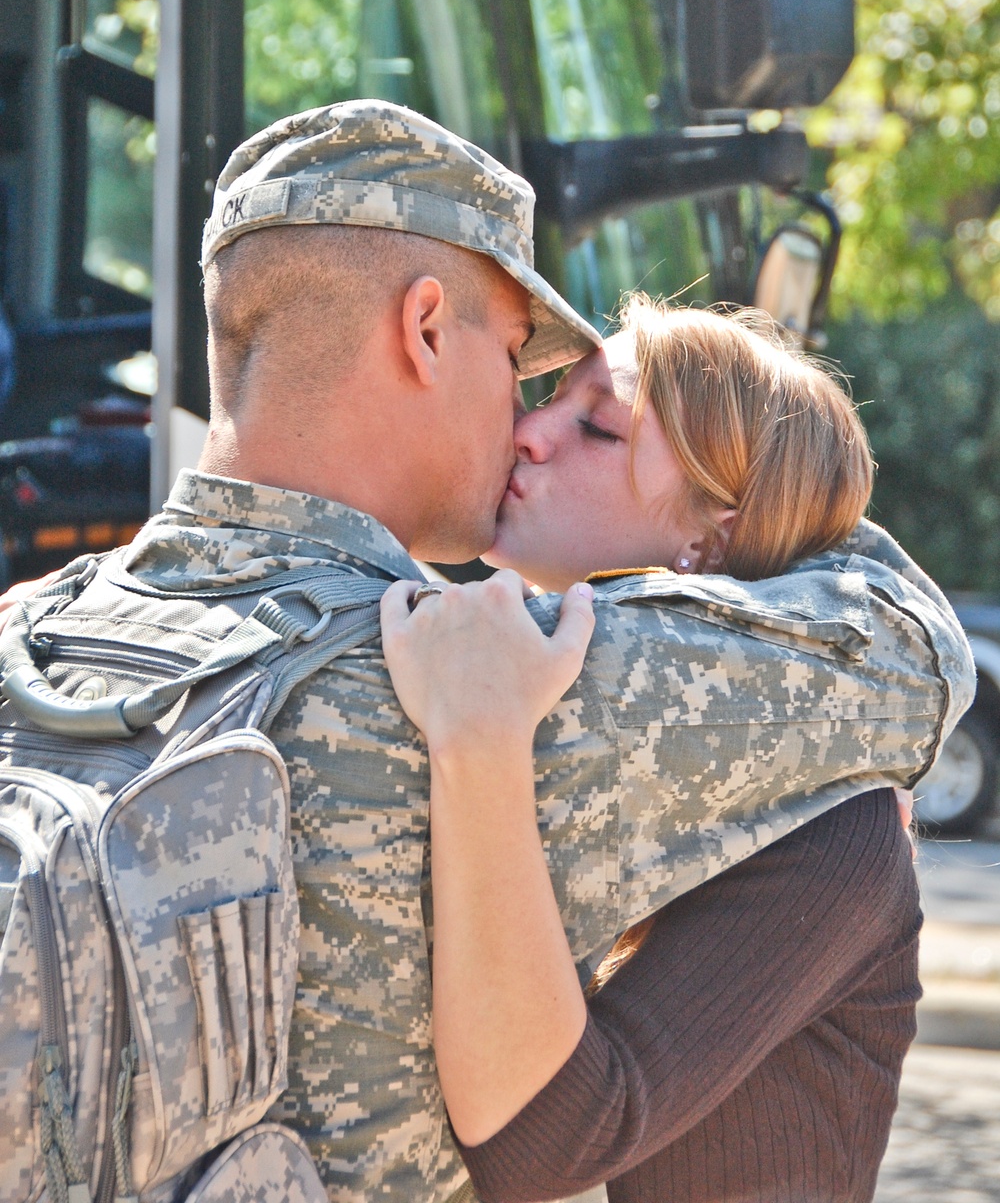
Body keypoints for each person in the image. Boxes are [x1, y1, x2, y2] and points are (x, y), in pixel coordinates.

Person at [0, 102, 972, 1203]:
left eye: (590, 419)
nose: (525, 423)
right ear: (424, 328)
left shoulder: (34, 640)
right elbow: (900, 655)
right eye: (519, 358)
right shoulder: (495, 683)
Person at [381, 299, 924, 1202]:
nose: (528, 432)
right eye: (547, 394)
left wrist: (481, 736)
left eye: (595, 427)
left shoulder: (840, 828)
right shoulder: (635, 767)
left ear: (708, 538)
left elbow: (544, 1143)